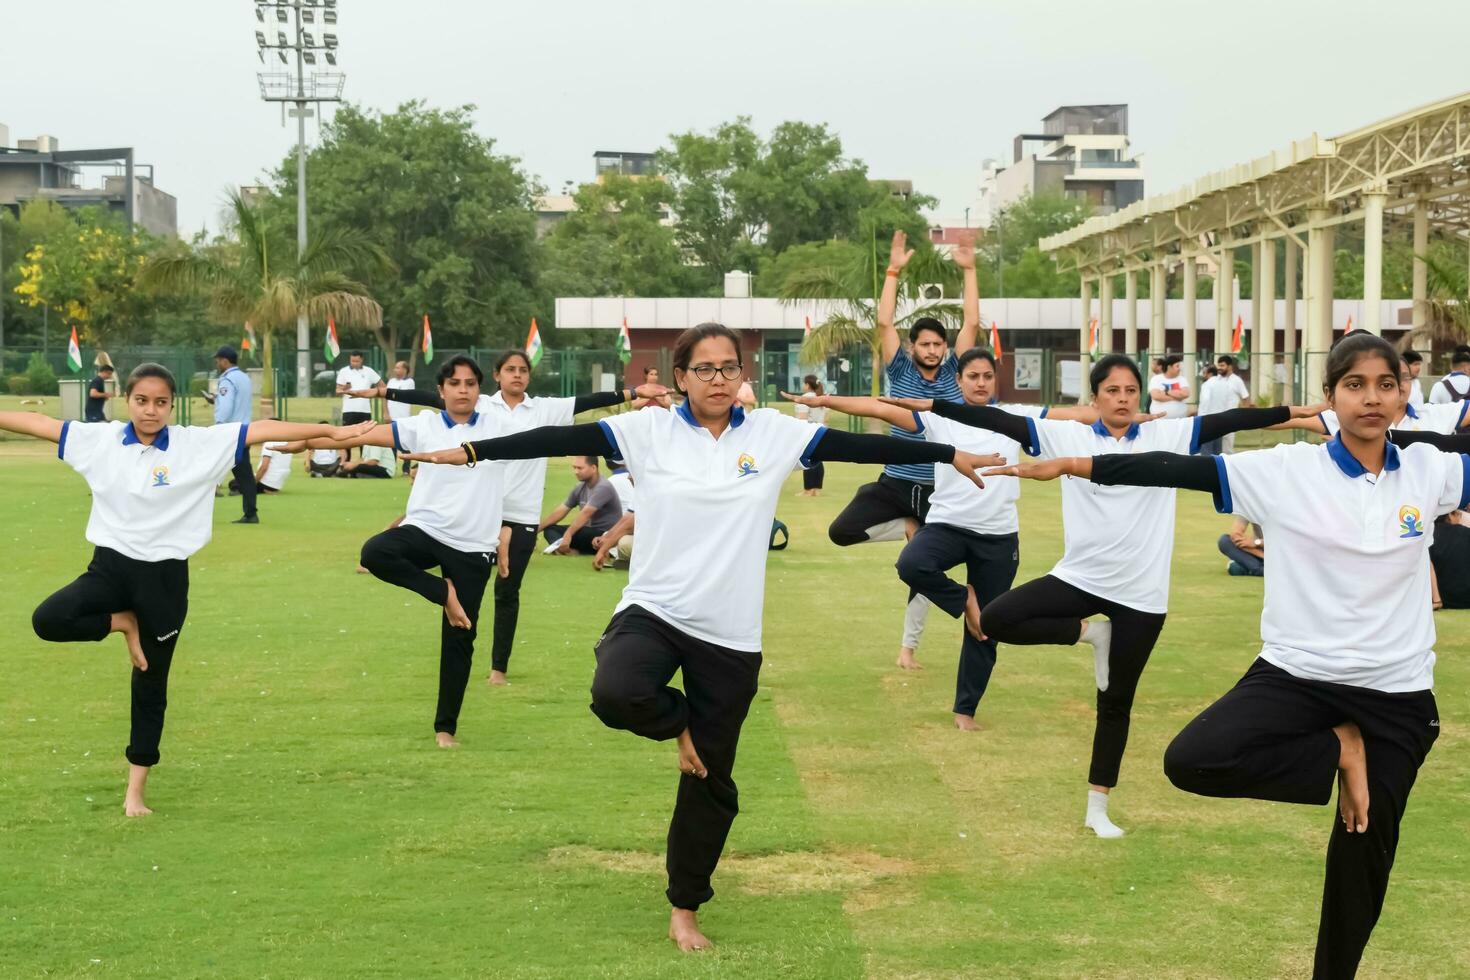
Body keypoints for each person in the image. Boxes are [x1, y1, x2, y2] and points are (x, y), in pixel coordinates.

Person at [398, 321, 1000, 953]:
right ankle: (679, 721)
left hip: (730, 634)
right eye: (704, 369)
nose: (718, 379)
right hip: (654, 610)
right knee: (616, 691)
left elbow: (858, 450)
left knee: (710, 782)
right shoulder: (647, 429)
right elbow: (556, 435)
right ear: (680, 377)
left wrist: (946, 455)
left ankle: (685, 905)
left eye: (729, 368)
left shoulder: (771, 433)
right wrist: (471, 452)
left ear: (742, 375)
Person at [990, 333, 1468, 979]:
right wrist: (1077, 466)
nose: (1372, 398)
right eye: (1354, 385)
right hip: (1298, 676)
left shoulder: (1429, 470)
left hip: (1397, 694)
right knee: (1195, 759)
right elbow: (1176, 469)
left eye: (1386, 384)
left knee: (1362, 860)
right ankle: (1340, 748)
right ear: (1329, 397)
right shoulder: (1284, 471)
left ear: (1403, 392)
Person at [885, 353, 1290, 838]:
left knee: (1116, 702)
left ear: (1139, 396)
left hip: (1142, 596)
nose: (1122, 399)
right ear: (1094, 398)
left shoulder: (1168, 434)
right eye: (1112, 391)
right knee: (994, 619)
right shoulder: (1068, 434)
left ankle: (1098, 809)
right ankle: (1091, 634)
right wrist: (930, 404)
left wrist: (1301, 413)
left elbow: (1234, 419)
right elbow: (991, 416)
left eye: (1130, 391)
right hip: (1081, 579)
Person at [3, 363, 371, 816]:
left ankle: (135, 791)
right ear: (127, 401)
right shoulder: (98, 441)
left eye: (160, 402)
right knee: (48, 620)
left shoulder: (198, 445)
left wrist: (328, 431)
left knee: (151, 683)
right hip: (110, 570)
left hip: (165, 581)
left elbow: (260, 428)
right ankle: (122, 623)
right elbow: (38, 423)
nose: (150, 410)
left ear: (171, 406)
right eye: (142, 400)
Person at [353, 349, 668, 685]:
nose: (517, 375)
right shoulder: (483, 405)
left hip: (522, 514)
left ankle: (498, 668)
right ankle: (454, 639)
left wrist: (634, 393)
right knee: (467, 590)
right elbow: (430, 396)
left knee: (507, 591)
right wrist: (382, 393)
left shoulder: (544, 408)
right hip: (481, 512)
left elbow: (587, 401)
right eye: (509, 369)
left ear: (529, 376)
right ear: (498, 374)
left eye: (522, 370)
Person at [317, 355, 509, 748]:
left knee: (460, 638)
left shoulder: (499, 427)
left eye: (470, 383)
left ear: (479, 389)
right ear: (441, 391)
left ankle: (445, 729)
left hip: (473, 546)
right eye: (454, 383)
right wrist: (304, 442)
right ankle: (442, 593)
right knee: (375, 552)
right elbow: (359, 435)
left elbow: (560, 428)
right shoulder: (422, 425)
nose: (462, 390)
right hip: (427, 530)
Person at [828, 230, 979, 672]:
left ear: (946, 349)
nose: (932, 349)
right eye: (925, 344)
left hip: (939, 488)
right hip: (895, 482)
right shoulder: (900, 366)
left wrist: (969, 271)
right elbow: (884, 323)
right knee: (841, 531)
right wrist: (893, 270)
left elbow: (970, 322)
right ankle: (906, 526)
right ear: (913, 348)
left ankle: (908, 649)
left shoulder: (955, 371)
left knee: (920, 573)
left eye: (938, 344)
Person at [202, 346, 257, 524]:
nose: (217, 364)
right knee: (245, 475)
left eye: (218, 360)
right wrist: (216, 399)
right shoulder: (244, 378)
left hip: (229, 432)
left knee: (211, 466)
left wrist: (218, 425)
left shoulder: (227, 379)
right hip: (244, 430)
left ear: (225, 361)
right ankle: (250, 512)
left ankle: (203, 503)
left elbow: (226, 408)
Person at [540, 456, 623, 555]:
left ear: (593, 468)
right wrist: (535, 531)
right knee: (550, 529)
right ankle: (570, 550)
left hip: (603, 534)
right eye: (574, 468)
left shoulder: (603, 487)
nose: (576, 471)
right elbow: (561, 510)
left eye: (580, 468)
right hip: (586, 533)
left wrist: (568, 535)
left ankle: (570, 550)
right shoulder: (580, 487)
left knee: (581, 532)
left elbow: (586, 514)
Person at [335, 351, 381, 462]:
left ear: (362, 360)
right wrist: (345, 388)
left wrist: (374, 393)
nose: (354, 363)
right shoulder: (344, 371)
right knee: (346, 436)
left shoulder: (369, 371)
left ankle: (363, 462)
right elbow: (337, 391)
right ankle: (345, 463)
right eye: (352, 361)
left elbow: (381, 385)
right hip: (349, 410)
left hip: (364, 410)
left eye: (357, 361)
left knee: (364, 437)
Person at [794, 375, 828, 496]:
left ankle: (808, 490)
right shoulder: (821, 398)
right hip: (821, 431)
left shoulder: (805, 398)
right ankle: (816, 489)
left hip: (808, 432)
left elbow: (802, 418)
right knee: (818, 460)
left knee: (807, 460)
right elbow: (826, 417)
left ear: (807, 385)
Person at [1429, 510, 1470, 609]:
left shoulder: (1428, 537)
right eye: (1458, 515)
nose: (1460, 518)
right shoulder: (1466, 533)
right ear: (1450, 515)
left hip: (1443, 599)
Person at [385, 360, 416, 473]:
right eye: (395, 367)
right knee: (390, 444)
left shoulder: (409, 382)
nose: (395, 370)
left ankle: (406, 468)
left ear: (405, 370)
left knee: (405, 443)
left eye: (398, 368)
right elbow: (386, 398)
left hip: (404, 418)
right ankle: (391, 467)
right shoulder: (391, 381)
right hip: (391, 417)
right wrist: (386, 412)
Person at [1147, 354, 1191, 419]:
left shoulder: (1182, 379)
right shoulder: (1156, 379)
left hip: (1180, 421)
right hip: (1160, 420)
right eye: (1177, 366)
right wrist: (1178, 397)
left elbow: (1186, 394)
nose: (1179, 369)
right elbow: (1156, 396)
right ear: (1169, 367)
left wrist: (1166, 392)